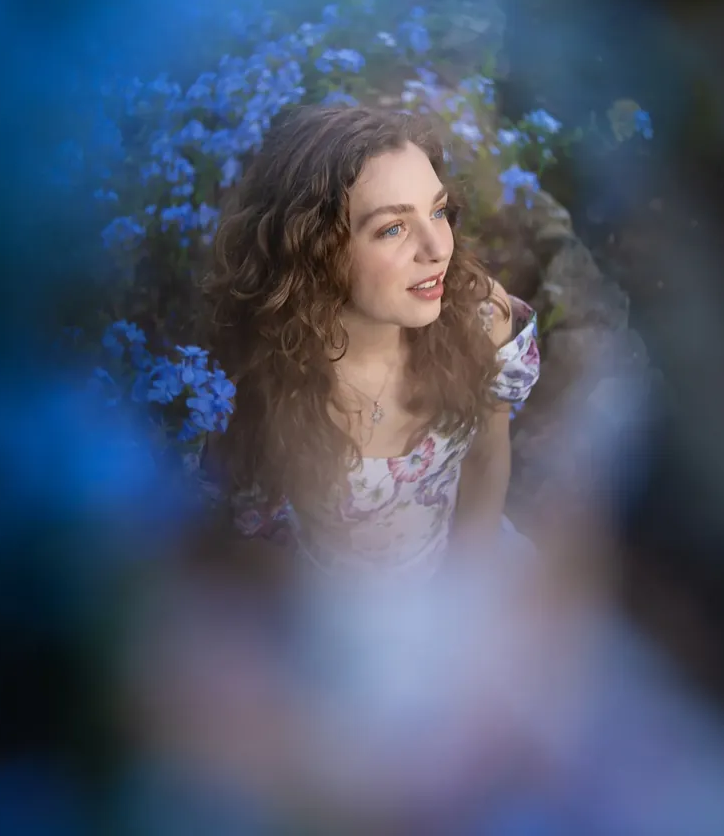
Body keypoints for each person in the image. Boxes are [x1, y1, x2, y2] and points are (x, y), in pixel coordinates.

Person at [199, 104, 540, 580]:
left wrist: (463, 598)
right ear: (314, 248)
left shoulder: (481, 320)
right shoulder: (255, 377)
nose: (438, 248)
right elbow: (249, 544)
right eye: (392, 228)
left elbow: (486, 459)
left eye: (438, 211)